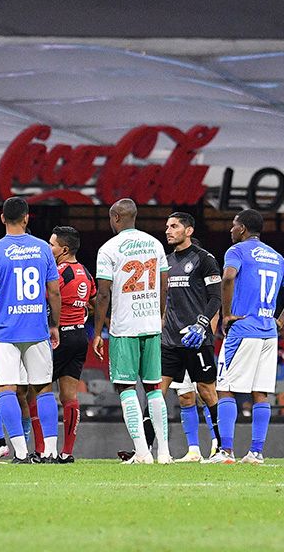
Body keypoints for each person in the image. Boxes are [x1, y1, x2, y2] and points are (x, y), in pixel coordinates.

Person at [0, 196, 62, 464]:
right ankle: (49, 451)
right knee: (44, 388)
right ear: (26, 218)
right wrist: (55, 324)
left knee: (6, 389)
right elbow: (55, 291)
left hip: (4, 331)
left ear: (2, 219)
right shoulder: (43, 249)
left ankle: (22, 453)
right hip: (36, 328)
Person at [214, 208, 284, 464]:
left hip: (243, 330)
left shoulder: (237, 251)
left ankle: (226, 451)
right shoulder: (275, 256)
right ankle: (256, 452)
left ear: (242, 228)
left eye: (233, 225)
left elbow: (228, 277)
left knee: (226, 389)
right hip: (268, 332)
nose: (231, 229)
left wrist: (227, 314)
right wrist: (281, 321)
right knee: (260, 392)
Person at [90, 198, 171, 464]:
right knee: (154, 388)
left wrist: (98, 331)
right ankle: (164, 452)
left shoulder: (108, 248)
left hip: (124, 327)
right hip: (150, 324)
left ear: (115, 218)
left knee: (126, 387)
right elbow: (164, 284)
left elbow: (103, 294)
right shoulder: (155, 244)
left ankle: (143, 452)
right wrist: (159, 315)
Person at [160, 211, 224, 463]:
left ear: (189, 231)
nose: (168, 230)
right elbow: (166, 302)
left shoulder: (205, 259)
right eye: (167, 226)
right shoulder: (165, 262)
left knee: (206, 391)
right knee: (170, 394)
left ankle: (221, 446)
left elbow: (215, 299)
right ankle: (190, 450)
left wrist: (203, 326)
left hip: (197, 340)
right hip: (171, 341)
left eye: (174, 226)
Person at [49, 225, 93, 463]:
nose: (49, 248)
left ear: (63, 249)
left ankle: (42, 449)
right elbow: (93, 299)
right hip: (79, 336)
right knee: (69, 396)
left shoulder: (58, 273)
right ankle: (66, 452)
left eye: (52, 244)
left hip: (59, 337)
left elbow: (48, 297)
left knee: (37, 393)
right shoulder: (85, 271)